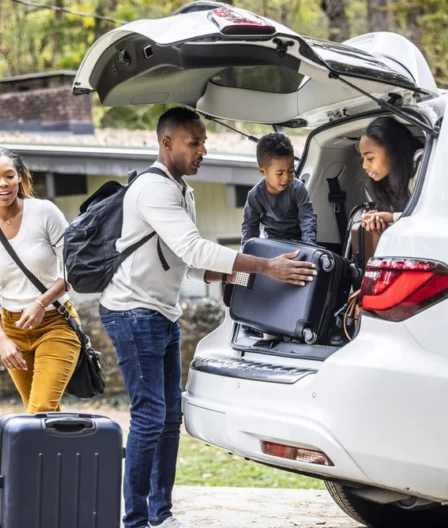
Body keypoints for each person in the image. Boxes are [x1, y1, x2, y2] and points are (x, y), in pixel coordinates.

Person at [99, 107, 318, 528]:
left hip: (161, 312)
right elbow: (195, 248)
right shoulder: (153, 189)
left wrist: (247, 278)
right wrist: (266, 266)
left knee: (169, 419)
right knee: (150, 417)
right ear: (166, 143)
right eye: (193, 142)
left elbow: (189, 264)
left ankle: (161, 515)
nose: (203, 150)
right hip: (132, 311)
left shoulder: (182, 191)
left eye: (204, 142)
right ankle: (136, 520)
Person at [0, 146, 81, 413]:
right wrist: (1, 339)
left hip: (55, 322)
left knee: (40, 408)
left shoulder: (44, 212)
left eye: (9, 175)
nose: (3, 183)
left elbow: (73, 267)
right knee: (39, 414)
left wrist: (41, 303)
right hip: (13, 329)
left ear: (19, 176)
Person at [240, 132, 317, 247]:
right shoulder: (255, 196)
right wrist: (247, 251)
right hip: (273, 243)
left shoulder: (297, 189)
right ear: (263, 171)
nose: (286, 178)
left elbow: (307, 219)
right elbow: (249, 227)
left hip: (299, 242)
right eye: (279, 173)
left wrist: (309, 246)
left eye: (290, 171)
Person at [359, 116, 425, 233]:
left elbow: (429, 217)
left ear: (391, 150)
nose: (364, 165)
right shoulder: (386, 180)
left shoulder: (421, 164)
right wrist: (377, 219)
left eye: (370, 158)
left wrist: (392, 218)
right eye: (363, 159)